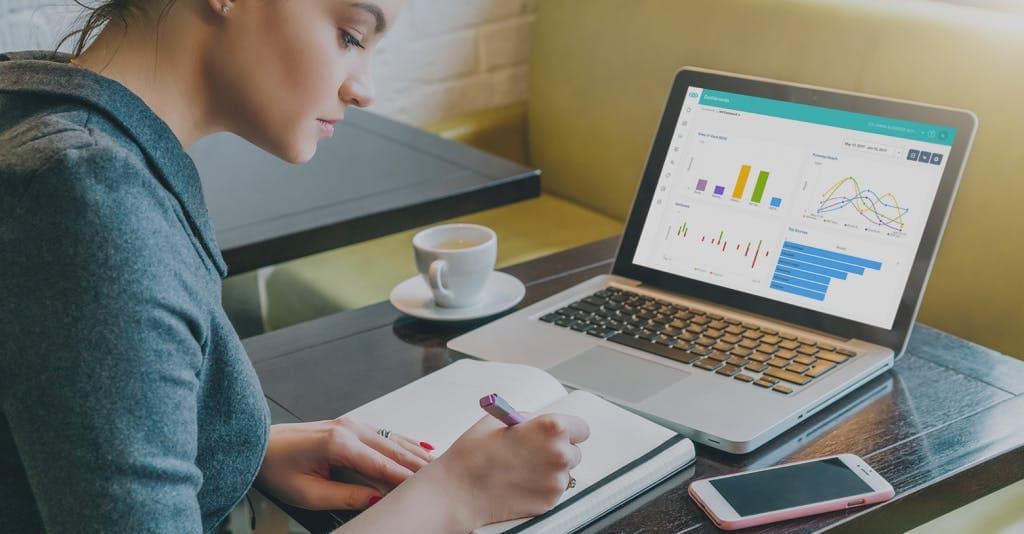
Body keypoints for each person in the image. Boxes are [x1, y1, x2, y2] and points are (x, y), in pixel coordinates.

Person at [0, 1, 590, 532]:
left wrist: (235, 449)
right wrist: (457, 496)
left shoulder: (38, 109)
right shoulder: (87, 200)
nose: (365, 90)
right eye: (351, 35)